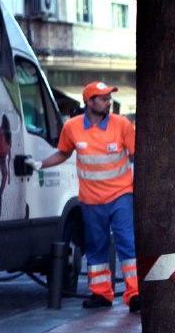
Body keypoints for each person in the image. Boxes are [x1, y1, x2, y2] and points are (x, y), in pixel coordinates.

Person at [33, 80, 139, 312]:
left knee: (127, 243)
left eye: (109, 98)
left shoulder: (122, 125)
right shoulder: (71, 127)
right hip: (91, 200)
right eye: (103, 98)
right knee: (96, 247)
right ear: (89, 102)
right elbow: (63, 153)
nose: (108, 102)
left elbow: (137, 154)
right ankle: (101, 294)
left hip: (121, 195)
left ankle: (136, 294)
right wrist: (40, 164)